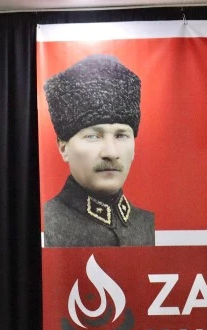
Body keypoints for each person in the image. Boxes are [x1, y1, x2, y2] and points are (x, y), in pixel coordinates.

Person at [42, 54, 155, 247]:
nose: (111, 152)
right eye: (93, 136)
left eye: (121, 135)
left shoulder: (148, 224)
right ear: (63, 147)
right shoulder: (47, 223)